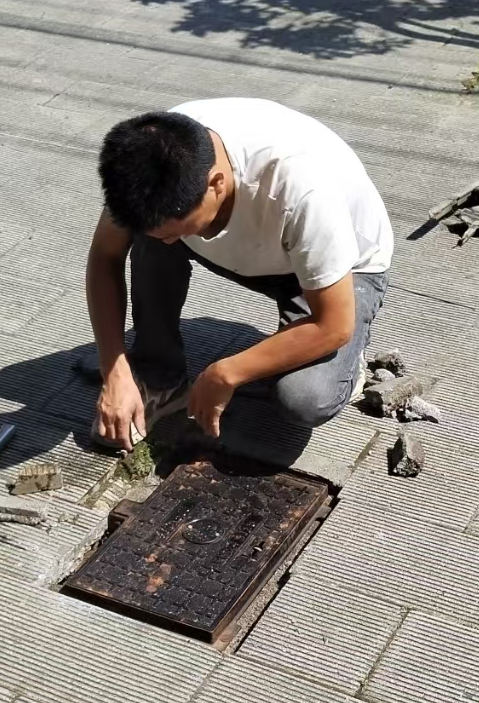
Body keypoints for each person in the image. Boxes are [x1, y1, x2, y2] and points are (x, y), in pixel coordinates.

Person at [85, 97, 394, 451]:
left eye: (177, 230)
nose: (169, 240)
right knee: (149, 238)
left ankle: (348, 368)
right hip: (258, 247)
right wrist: (115, 371)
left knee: (305, 398)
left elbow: (334, 325)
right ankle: (160, 379)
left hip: (339, 268)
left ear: (216, 183)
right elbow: (105, 257)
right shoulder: (147, 164)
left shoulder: (302, 189)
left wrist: (227, 372)